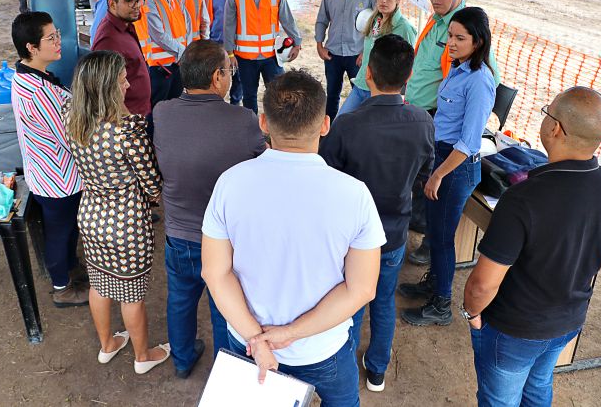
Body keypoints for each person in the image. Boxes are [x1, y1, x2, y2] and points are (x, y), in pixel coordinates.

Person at [202, 70, 385, 406]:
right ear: (325, 125)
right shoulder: (355, 195)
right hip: (322, 347)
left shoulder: (230, 183)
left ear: (263, 123)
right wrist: (289, 334)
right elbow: (361, 288)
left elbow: (215, 273)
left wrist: (258, 340)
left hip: (247, 344)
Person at [462, 87, 601, 407]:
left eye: (546, 113)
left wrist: (471, 312)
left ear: (555, 129)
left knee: (500, 399)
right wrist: (572, 271)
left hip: (515, 327)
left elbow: (483, 283)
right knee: (538, 385)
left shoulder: (522, 199)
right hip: (568, 320)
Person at [319, 34, 434, 393]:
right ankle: (377, 369)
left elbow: (328, 179)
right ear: (410, 75)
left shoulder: (347, 125)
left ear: (368, 74)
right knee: (383, 300)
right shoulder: (422, 123)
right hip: (394, 233)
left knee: (350, 301)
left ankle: (344, 363)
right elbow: (423, 174)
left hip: (352, 237)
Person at [153, 40, 266, 379]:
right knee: (224, 304)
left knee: (180, 300)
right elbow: (263, 165)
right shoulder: (244, 120)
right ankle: (225, 368)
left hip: (178, 234)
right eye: (229, 71)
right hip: (226, 241)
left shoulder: (162, 113)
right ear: (218, 76)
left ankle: (183, 360)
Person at [64, 50, 170, 374]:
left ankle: (108, 345)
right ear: (107, 87)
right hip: (127, 223)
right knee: (131, 294)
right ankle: (143, 356)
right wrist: (151, 197)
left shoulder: (72, 116)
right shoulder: (128, 130)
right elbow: (152, 183)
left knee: (100, 285)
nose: (128, 84)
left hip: (91, 215)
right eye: (122, 79)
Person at [400, 7, 497, 326]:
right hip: (442, 158)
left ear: (478, 41)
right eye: (449, 36)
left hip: (455, 168)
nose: (451, 43)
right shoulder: (458, 68)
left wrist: (439, 174)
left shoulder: (480, 82)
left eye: (459, 38)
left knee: (441, 238)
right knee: (436, 230)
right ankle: (434, 284)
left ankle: (441, 304)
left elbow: (469, 141)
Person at [404, 0, 500, 267]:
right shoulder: (435, 20)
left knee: (436, 185)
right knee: (423, 180)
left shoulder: (464, 28)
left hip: (440, 122)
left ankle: (432, 244)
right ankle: (424, 226)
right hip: (422, 113)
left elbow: (488, 78)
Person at [10, 11, 88, 307]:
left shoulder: (29, 76)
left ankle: (69, 271)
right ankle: (62, 288)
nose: (59, 42)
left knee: (66, 231)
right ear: (31, 47)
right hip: (57, 178)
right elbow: (68, 138)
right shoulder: (38, 92)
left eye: (57, 34)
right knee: (60, 232)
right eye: (51, 38)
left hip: (51, 171)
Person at [223, 0, 302, 114]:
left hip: (271, 57)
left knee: (278, 96)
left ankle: (276, 130)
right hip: (245, 59)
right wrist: (230, 54)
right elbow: (228, 26)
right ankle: (252, 131)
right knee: (249, 97)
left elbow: (288, 20)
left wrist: (297, 42)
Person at [337, 0, 417, 116]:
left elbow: (408, 63)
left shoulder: (404, 28)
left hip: (380, 91)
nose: (383, 0)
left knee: (367, 131)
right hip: (361, 83)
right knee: (340, 121)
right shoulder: (374, 20)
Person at [314, 0, 377, 121]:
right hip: (332, 53)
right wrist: (319, 45)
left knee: (362, 97)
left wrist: (366, 52)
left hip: (357, 55)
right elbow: (322, 19)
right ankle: (329, 134)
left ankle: (359, 132)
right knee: (332, 96)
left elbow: (378, 24)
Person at [90, 0, 151, 117]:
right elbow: (105, 90)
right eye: (130, 1)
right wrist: (129, 124)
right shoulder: (108, 39)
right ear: (112, 4)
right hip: (128, 120)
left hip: (140, 114)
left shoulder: (126, 25)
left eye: (138, 0)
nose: (136, 6)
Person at [146, 0, 190, 111]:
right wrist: (184, 52)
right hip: (159, 68)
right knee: (157, 112)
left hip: (178, 64)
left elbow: (186, 26)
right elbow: (158, 35)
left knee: (176, 110)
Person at [204, 0, 243, 106]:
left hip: (237, 42)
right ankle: (217, 106)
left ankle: (235, 104)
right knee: (216, 77)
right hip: (215, 43)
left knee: (238, 76)